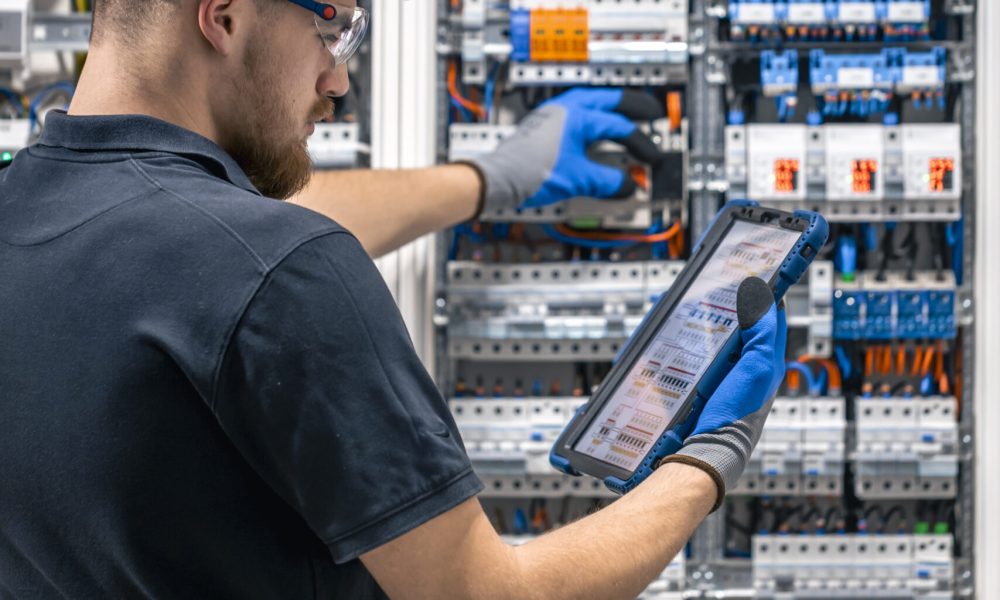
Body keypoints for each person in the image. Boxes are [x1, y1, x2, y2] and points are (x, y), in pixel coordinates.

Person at [0, 0, 787, 598]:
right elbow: (486, 595)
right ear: (226, 16)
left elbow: (209, 244)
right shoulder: (286, 272)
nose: (339, 79)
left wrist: (491, 178)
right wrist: (708, 457)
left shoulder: (27, 213)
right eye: (333, 27)